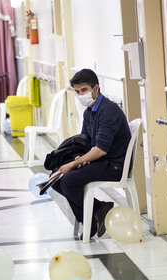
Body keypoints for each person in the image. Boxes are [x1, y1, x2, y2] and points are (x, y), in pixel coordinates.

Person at [52, 69, 131, 238]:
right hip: (101, 161)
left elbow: (101, 149)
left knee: (68, 180)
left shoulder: (108, 111)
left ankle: (88, 224)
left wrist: (72, 165)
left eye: (84, 90)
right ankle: (98, 210)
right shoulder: (89, 112)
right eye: (77, 92)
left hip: (114, 165)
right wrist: (77, 157)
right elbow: (85, 142)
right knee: (56, 178)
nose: (81, 95)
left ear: (96, 88)